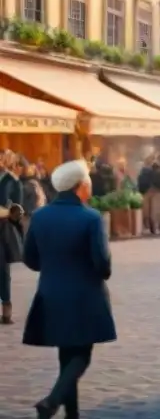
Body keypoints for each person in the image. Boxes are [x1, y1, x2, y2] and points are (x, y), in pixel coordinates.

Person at [23, 160, 116, 419]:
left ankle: (71, 413)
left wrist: (53, 268)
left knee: (66, 355)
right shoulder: (90, 217)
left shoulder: (40, 216)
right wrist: (102, 273)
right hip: (85, 294)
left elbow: (29, 258)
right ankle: (52, 401)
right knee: (82, 355)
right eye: (87, 182)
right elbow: (101, 261)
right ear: (79, 186)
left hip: (51, 292)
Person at [0, 153, 24, 325]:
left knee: (2, 269)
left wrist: (12, 213)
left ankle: (6, 310)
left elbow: (17, 208)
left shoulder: (11, 181)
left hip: (2, 228)